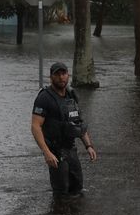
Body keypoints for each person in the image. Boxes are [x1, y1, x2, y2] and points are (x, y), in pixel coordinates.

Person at [31, 61, 98, 197]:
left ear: (68, 75)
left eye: (64, 74)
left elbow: (78, 122)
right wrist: (46, 152)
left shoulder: (71, 95)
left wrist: (89, 146)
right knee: (62, 191)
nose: (61, 77)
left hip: (71, 149)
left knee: (77, 187)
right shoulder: (44, 98)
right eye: (57, 74)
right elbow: (35, 126)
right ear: (51, 77)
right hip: (55, 151)